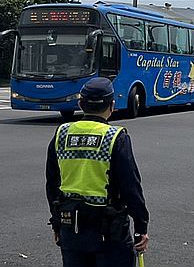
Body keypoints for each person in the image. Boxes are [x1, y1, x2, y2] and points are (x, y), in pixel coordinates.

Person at [46, 77, 149, 266]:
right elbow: (130, 187)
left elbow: (52, 183)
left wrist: (56, 222)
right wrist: (141, 226)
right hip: (109, 231)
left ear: (80, 103)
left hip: (71, 227)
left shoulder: (62, 133)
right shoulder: (115, 137)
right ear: (112, 105)